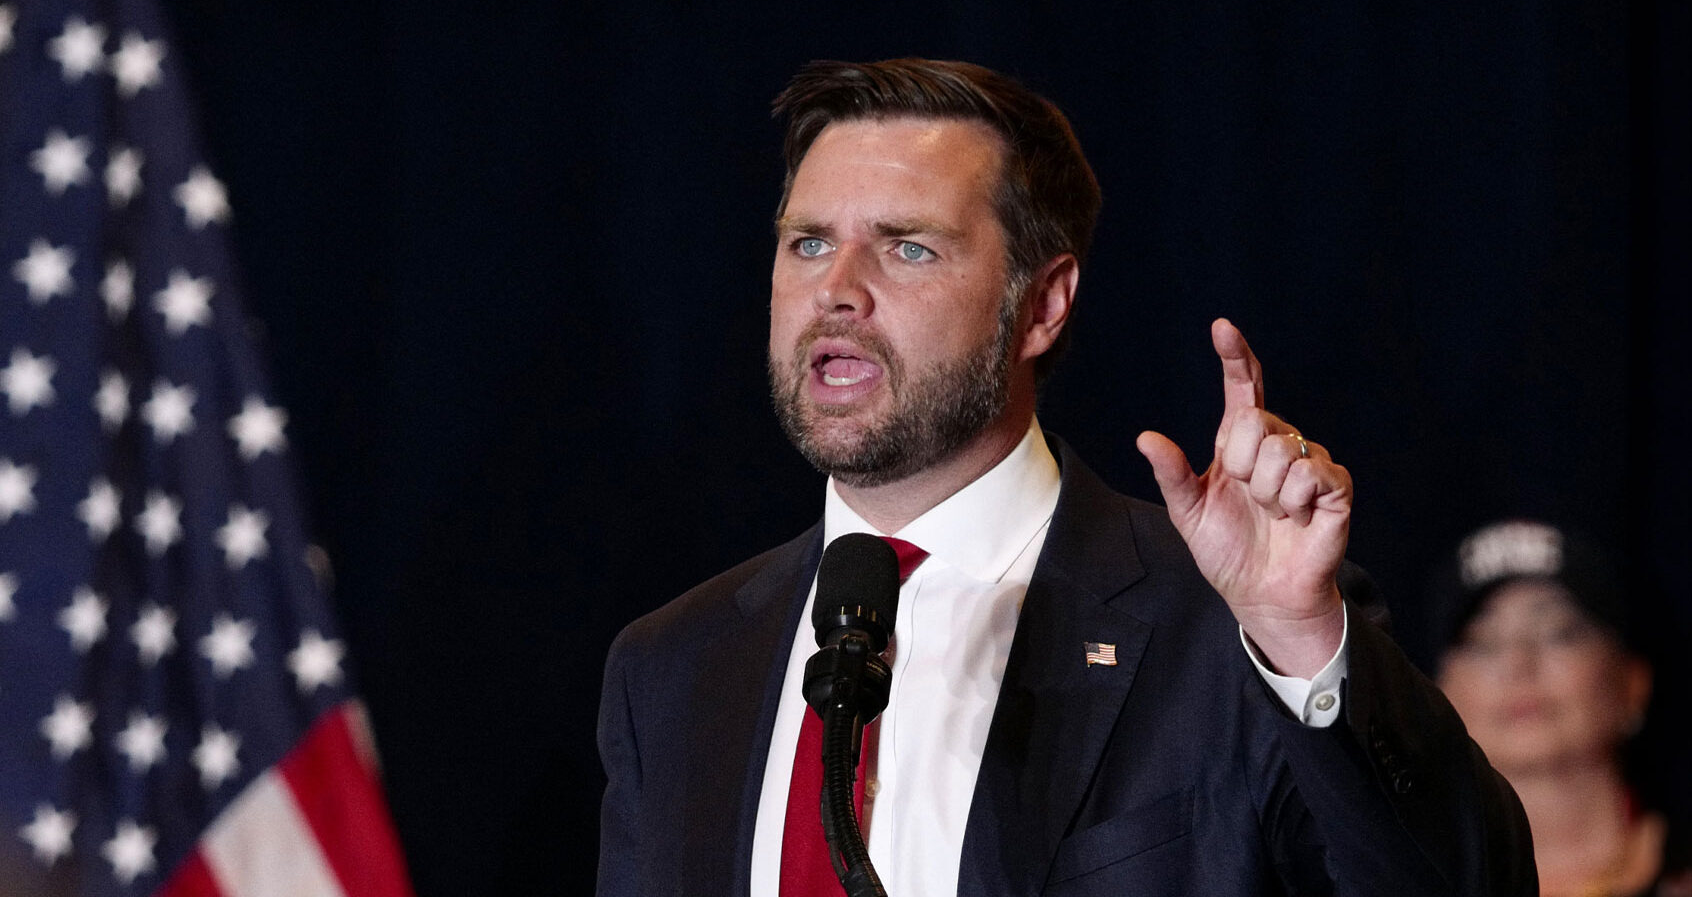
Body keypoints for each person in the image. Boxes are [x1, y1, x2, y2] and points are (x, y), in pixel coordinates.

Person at [596, 58, 1533, 896]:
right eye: (807, 243)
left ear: (1042, 305)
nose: (837, 287)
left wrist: (1292, 633)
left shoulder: (1218, 626)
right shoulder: (674, 668)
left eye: (906, 246)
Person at [1435, 519, 1692, 897]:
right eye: (1483, 643)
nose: (1519, 664)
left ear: (1633, 681)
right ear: (1439, 692)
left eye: (1561, 632)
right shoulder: (1400, 878)